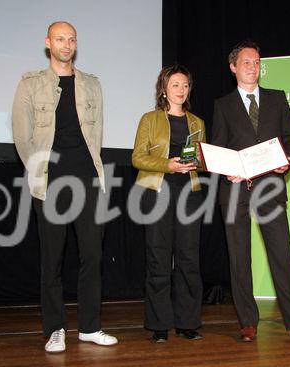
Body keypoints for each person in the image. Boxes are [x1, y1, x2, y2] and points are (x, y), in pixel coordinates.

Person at [211, 41, 290, 342]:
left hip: (270, 188)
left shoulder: (277, 99)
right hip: (235, 190)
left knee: (282, 257)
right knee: (239, 261)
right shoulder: (222, 105)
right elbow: (219, 147)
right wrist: (227, 169)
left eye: (257, 62)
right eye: (247, 62)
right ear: (233, 67)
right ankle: (248, 322)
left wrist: (286, 162)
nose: (253, 67)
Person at [12, 21, 117, 352]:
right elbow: (21, 134)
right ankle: (55, 328)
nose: (66, 44)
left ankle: (89, 327)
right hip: (51, 181)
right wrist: (38, 170)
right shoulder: (31, 84)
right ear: (48, 43)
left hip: (88, 178)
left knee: (92, 254)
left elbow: (96, 132)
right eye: (60, 38)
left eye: (71, 39)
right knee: (52, 258)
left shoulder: (91, 84)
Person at [132, 65, 205, 343]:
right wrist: (168, 164)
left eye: (185, 85)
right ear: (163, 89)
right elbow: (137, 158)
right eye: (175, 85)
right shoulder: (149, 119)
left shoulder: (197, 122)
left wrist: (199, 161)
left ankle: (188, 322)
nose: (181, 90)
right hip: (157, 192)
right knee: (158, 258)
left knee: (189, 258)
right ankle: (159, 324)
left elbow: (202, 157)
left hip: (190, 193)